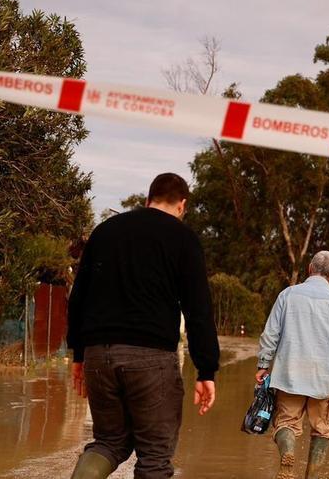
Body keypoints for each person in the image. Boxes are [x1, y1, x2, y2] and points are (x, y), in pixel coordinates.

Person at [67, 173, 220, 479]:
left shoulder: (105, 231)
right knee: (154, 457)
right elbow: (198, 310)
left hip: (99, 354)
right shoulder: (183, 238)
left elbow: (78, 296)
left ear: (148, 199)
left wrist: (79, 355)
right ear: (182, 205)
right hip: (151, 359)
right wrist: (206, 370)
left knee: (108, 443)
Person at [256, 251, 329, 479]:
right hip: (323, 380)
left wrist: (263, 364)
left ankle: (288, 457)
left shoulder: (287, 295)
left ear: (309, 269)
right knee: (322, 429)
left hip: (289, 375)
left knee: (286, 422)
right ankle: (312, 476)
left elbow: (270, 334)